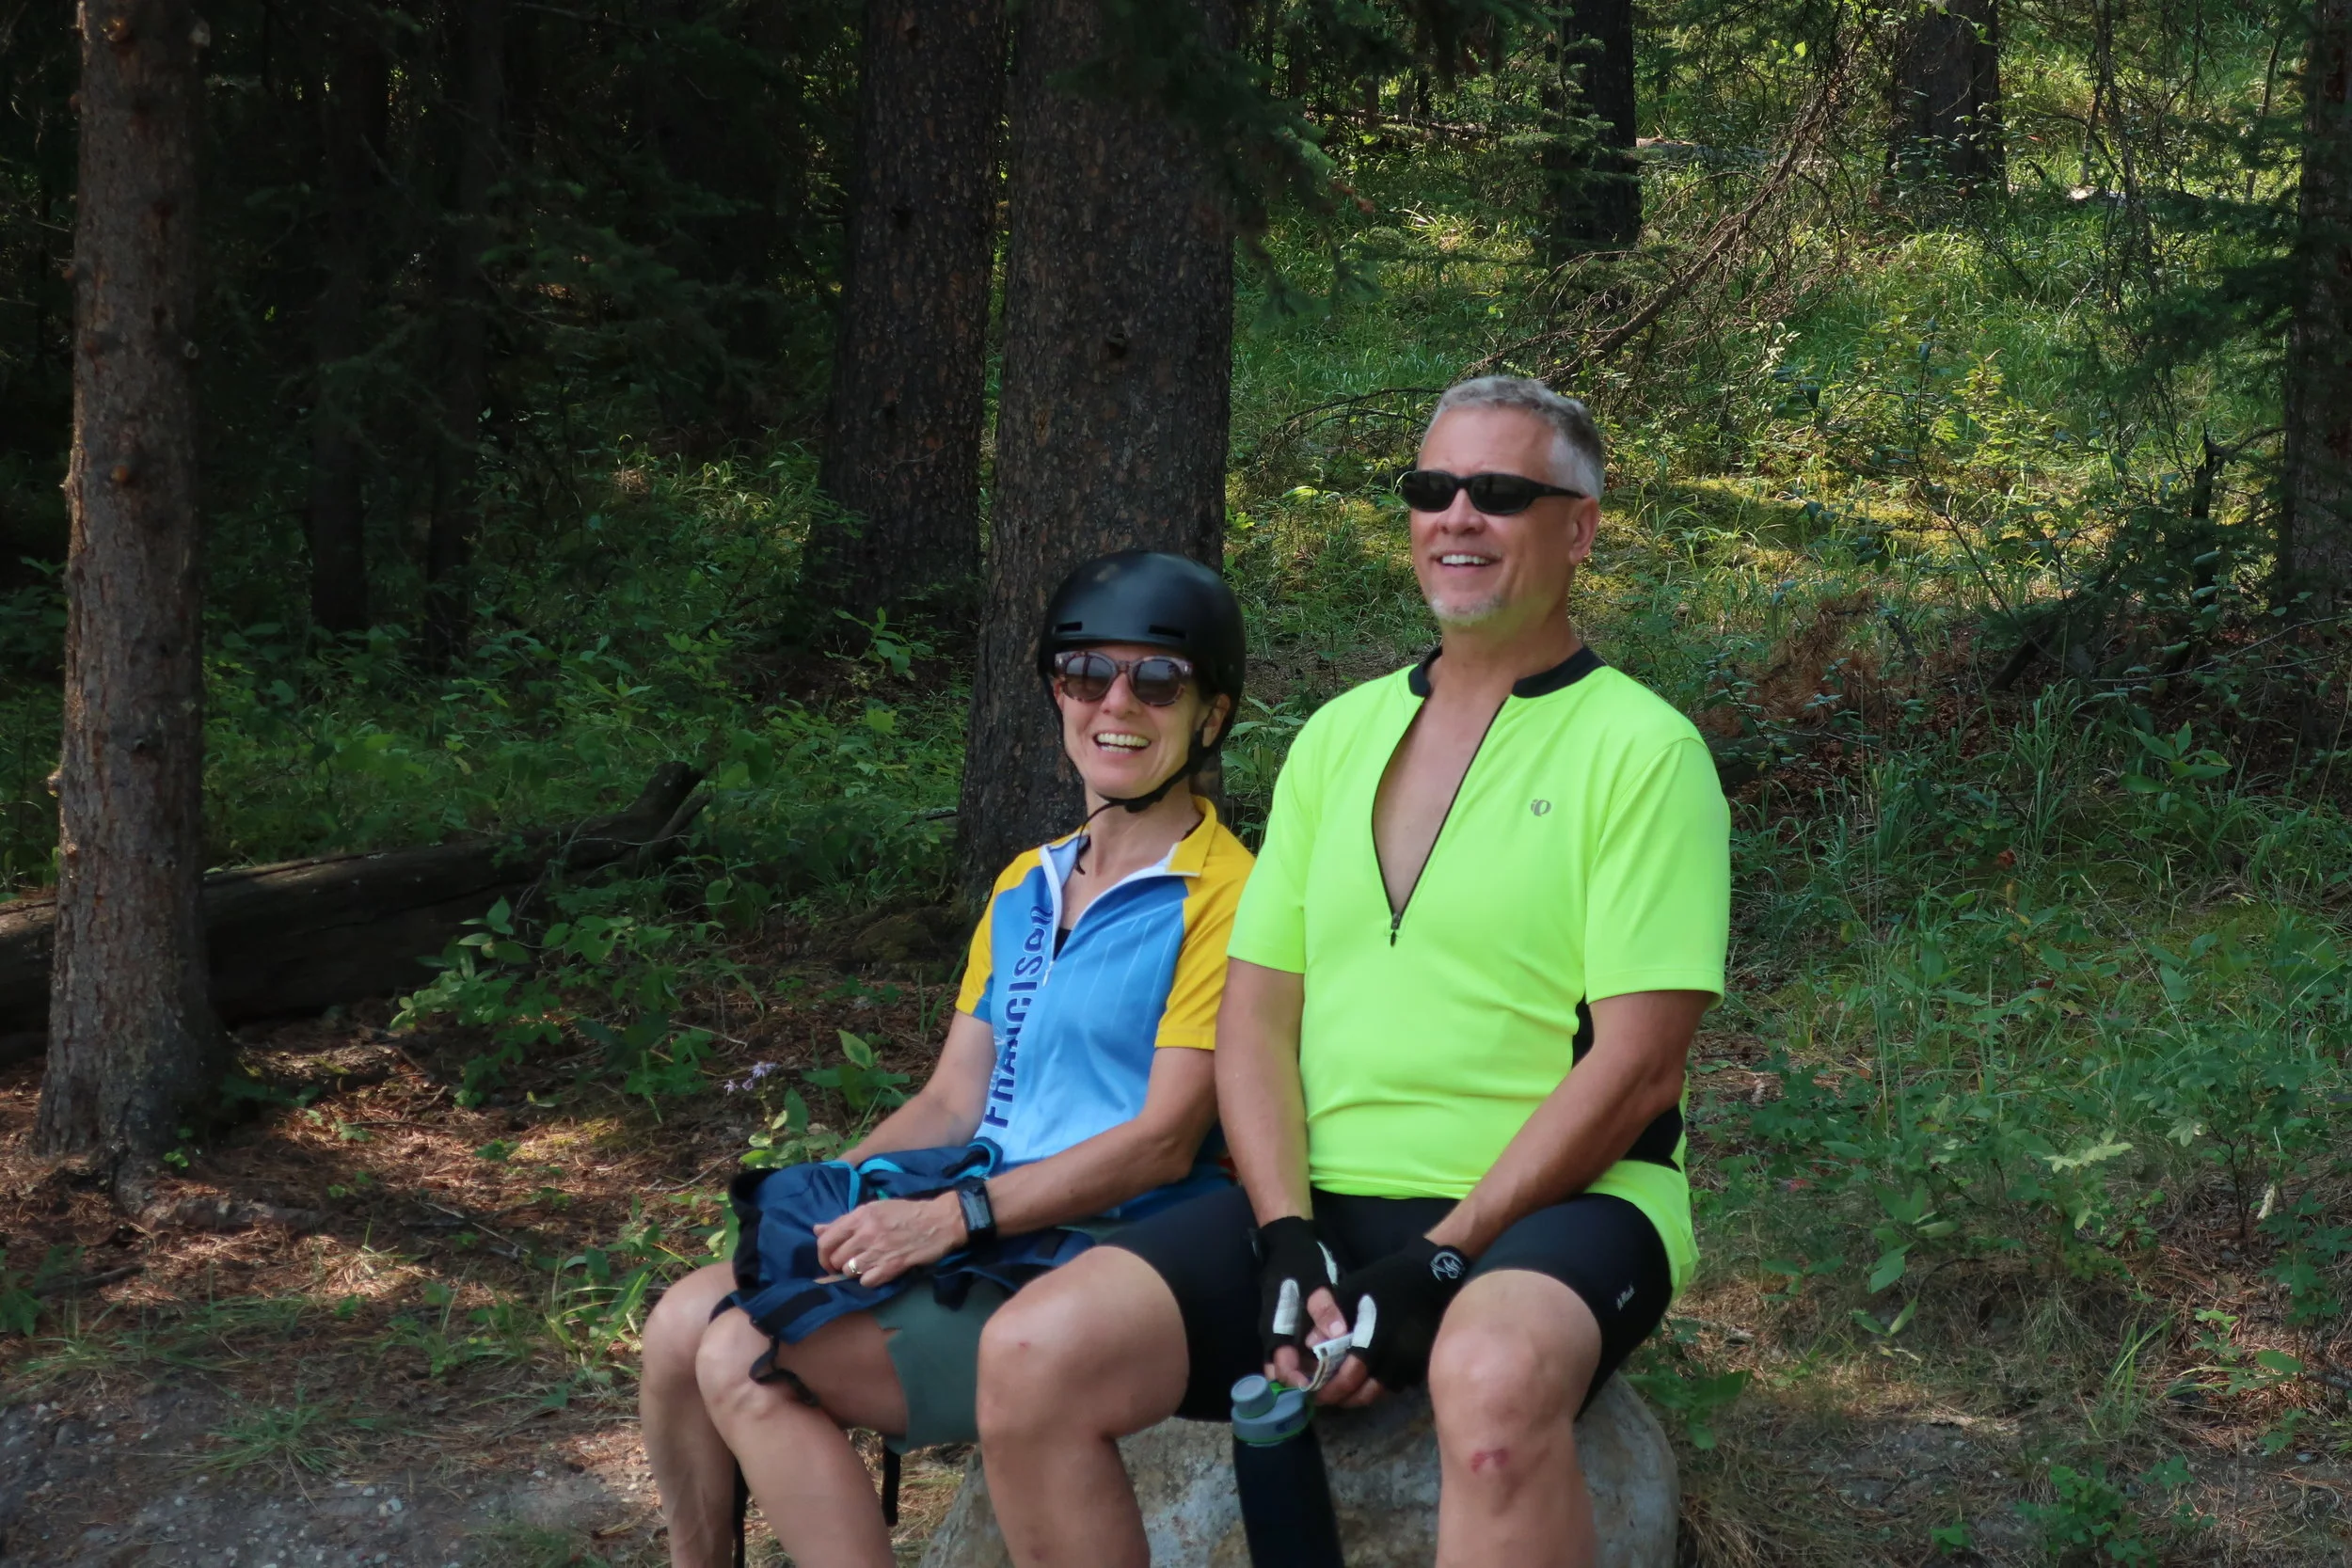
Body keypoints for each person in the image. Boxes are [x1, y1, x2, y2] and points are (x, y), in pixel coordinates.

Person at [976, 378, 1732, 1568]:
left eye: (1500, 492)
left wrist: (1445, 1257)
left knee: (1484, 1391)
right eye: (1433, 490)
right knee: (1029, 1357)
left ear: (1577, 527)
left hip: (1561, 1209)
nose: (1458, 516)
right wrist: (1284, 1231)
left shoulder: (1644, 751)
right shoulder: (1337, 733)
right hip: (1320, 1200)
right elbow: (1258, 1016)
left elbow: (1638, 1068)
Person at [637, 550, 1255, 1568]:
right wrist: (845, 1198)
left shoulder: (1228, 896)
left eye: (1157, 680)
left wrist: (948, 1215)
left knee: (745, 1353)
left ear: (1211, 716)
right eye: (1085, 673)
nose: (1117, 702)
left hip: (1087, 1243)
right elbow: (952, 1095)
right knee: (676, 1324)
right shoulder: (1027, 882)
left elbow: (1162, 1139)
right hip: (974, 1211)